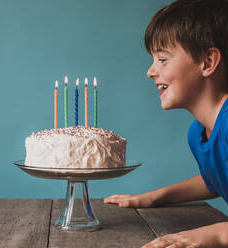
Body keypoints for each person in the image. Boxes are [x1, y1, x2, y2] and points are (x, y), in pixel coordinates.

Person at [104, 0, 228, 247]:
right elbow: (216, 178)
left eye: (162, 59)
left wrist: (214, 234)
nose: (150, 71)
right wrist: (154, 197)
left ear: (207, 62)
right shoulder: (198, 133)